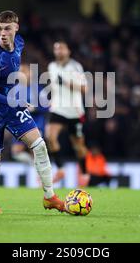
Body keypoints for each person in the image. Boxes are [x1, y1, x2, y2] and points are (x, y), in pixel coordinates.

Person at [0, 10, 65, 214]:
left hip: (11, 105)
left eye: (7, 28)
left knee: (39, 145)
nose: (2, 33)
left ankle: (49, 196)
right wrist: (11, 100)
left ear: (16, 28)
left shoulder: (20, 43)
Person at [45, 41, 89, 186]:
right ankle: (61, 169)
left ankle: (84, 172)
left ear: (68, 51)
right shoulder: (52, 66)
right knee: (50, 136)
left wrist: (65, 82)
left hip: (74, 112)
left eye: (62, 48)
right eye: (56, 48)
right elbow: (53, 85)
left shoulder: (75, 67)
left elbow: (84, 89)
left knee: (78, 146)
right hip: (58, 109)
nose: (59, 51)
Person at [11, 64, 49, 164]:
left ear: (30, 74)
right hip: (21, 124)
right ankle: (33, 164)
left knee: (36, 150)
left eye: (24, 72)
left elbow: (47, 107)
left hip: (36, 124)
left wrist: (34, 108)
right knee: (16, 152)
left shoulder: (39, 89)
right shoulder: (15, 90)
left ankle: (39, 172)